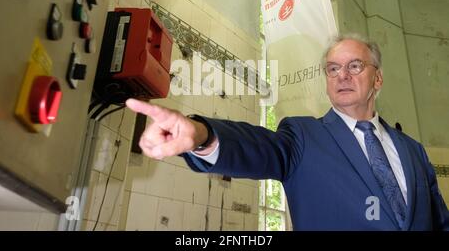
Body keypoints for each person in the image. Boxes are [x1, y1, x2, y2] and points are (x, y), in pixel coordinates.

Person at [125, 34, 449, 230]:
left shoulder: (413, 151)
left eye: (355, 66)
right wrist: (201, 135)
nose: (342, 76)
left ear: (377, 79)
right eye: (333, 69)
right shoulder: (304, 137)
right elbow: (259, 147)